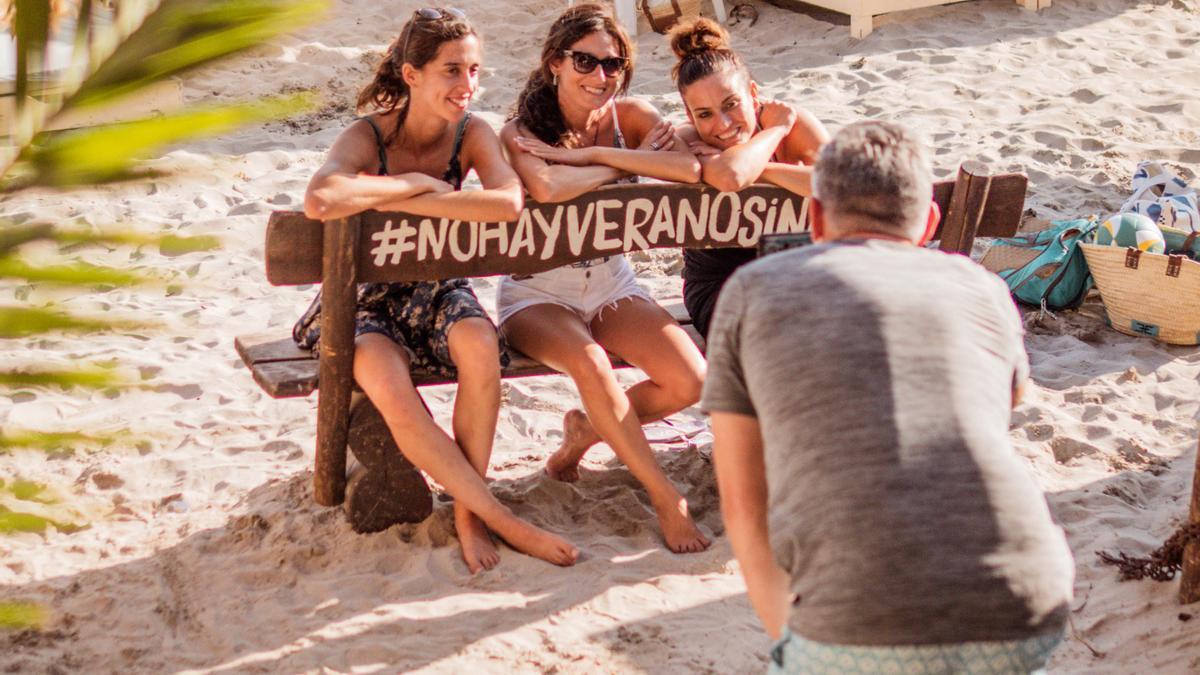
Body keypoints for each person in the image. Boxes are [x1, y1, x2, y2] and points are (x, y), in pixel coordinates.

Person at [703, 121, 1075, 673]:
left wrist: (792, 641)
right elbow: (997, 409)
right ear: (928, 223)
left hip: (856, 618)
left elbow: (743, 507)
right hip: (1024, 597)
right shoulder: (983, 289)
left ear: (815, 219)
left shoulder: (752, 290)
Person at [295, 7, 578, 573]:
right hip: (363, 300)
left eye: (474, 70)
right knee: (388, 384)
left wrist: (387, 196)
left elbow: (506, 202)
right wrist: (412, 182)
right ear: (411, 74)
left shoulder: (470, 133)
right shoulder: (367, 135)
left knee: (478, 345)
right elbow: (321, 199)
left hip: (436, 287)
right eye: (452, 70)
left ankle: (468, 516)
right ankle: (499, 517)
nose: (467, 85)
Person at [498, 4, 710, 554]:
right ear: (555, 65)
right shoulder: (520, 131)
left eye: (612, 65)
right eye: (585, 62)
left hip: (612, 282)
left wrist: (597, 156)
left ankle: (584, 434)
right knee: (593, 365)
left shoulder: (630, 116)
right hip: (537, 293)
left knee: (690, 380)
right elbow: (545, 188)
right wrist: (628, 162)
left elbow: (688, 169)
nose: (600, 77)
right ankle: (666, 497)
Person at [667, 18, 829, 339]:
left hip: (797, 270)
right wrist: (776, 129)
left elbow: (840, 185)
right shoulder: (686, 140)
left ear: (753, 93)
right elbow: (732, 175)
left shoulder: (797, 126)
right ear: (689, 116)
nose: (722, 124)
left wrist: (764, 168)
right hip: (722, 285)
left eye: (731, 104)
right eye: (704, 114)